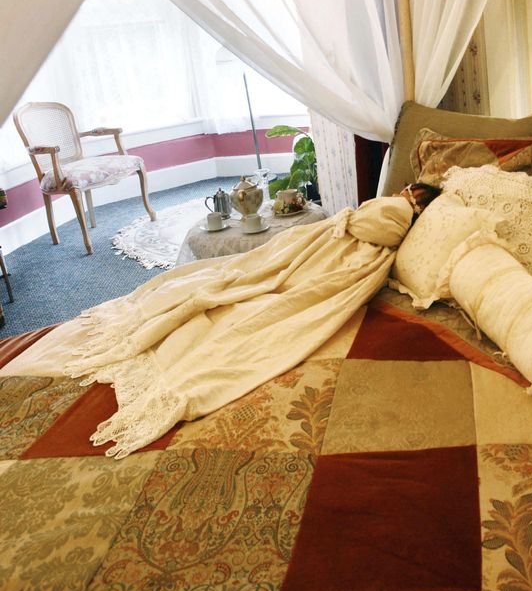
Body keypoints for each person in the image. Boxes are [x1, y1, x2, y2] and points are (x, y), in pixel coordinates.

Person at [12, 185, 440, 458]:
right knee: (236, 276)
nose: (402, 189)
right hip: (321, 244)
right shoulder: (394, 207)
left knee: (253, 302)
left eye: (409, 190)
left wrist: (349, 218)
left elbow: (373, 224)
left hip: (337, 256)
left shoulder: (398, 210)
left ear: (416, 199)